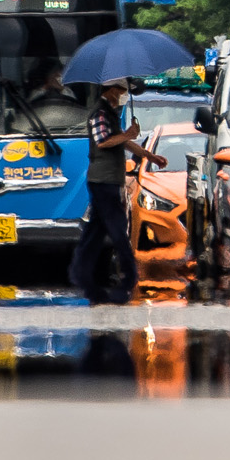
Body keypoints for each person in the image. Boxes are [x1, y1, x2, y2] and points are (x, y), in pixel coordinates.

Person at [69, 78, 166, 304]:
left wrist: (149, 156)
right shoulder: (99, 113)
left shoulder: (110, 112)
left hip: (110, 179)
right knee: (117, 227)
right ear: (111, 90)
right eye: (121, 90)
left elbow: (122, 142)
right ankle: (130, 274)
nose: (123, 94)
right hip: (103, 180)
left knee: (95, 231)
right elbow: (103, 141)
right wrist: (127, 135)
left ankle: (80, 272)